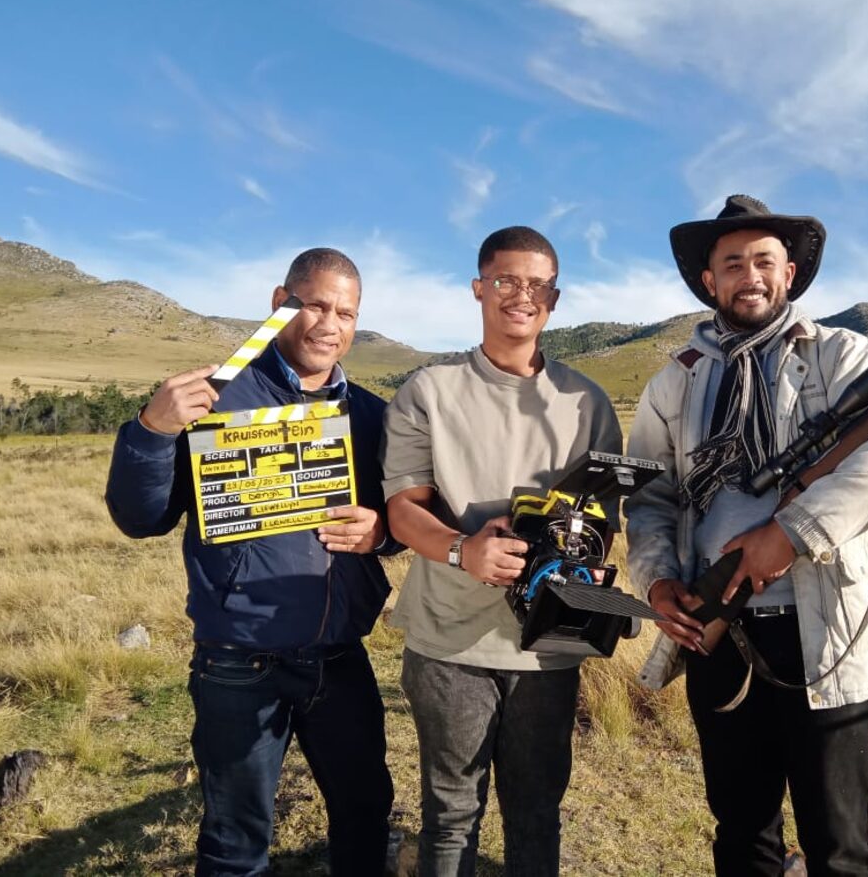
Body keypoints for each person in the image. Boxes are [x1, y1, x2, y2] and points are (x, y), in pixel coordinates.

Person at [625, 196, 868, 876]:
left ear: (789, 272)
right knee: (741, 828)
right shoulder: (674, 381)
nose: (749, 274)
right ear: (710, 281)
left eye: (764, 260)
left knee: (840, 847)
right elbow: (650, 494)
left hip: (824, 632)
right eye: (733, 263)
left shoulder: (844, 355)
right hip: (717, 629)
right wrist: (659, 579)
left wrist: (787, 534)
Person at [106, 248, 396, 876]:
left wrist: (383, 534)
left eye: (346, 312)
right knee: (236, 842)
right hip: (237, 661)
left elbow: (399, 517)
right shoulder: (213, 397)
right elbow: (140, 518)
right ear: (279, 302)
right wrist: (151, 432)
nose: (330, 324)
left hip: (341, 656)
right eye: (317, 304)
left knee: (367, 811)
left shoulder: (372, 414)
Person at [381, 226, 622, 876]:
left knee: (538, 813)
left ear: (556, 297)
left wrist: (591, 567)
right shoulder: (429, 391)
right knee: (452, 815)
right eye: (507, 281)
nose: (522, 296)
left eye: (538, 284)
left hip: (550, 644)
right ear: (479, 288)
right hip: (449, 644)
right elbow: (403, 510)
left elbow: (606, 518)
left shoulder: (588, 402)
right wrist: (463, 550)